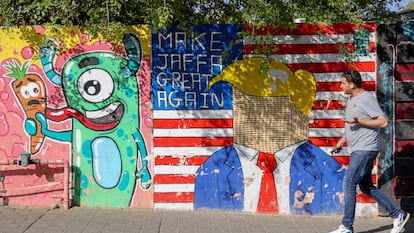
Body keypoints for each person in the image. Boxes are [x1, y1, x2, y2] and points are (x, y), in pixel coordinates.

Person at [329, 69, 410, 233]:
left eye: (343, 83)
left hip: (366, 149)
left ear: (352, 84)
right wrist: (341, 142)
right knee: (366, 186)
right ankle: (397, 214)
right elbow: (352, 124)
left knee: (349, 183)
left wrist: (361, 121)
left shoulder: (366, 98)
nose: (340, 86)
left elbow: (382, 122)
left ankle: (346, 226)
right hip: (358, 148)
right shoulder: (352, 99)